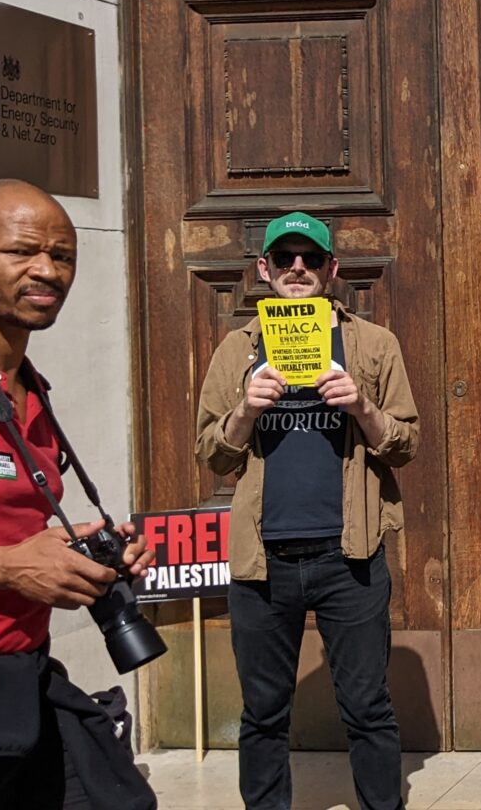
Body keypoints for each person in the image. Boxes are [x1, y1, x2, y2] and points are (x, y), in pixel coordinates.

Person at [0, 179, 156, 809]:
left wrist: (74, 554)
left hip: (20, 683)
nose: (47, 270)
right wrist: (9, 566)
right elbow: (6, 556)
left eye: (63, 255)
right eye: (22, 251)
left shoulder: (27, 387)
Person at [195, 212, 418, 810]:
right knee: (263, 713)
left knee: (368, 708)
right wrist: (244, 411)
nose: (298, 268)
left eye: (311, 258)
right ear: (263, 270)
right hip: (263, 561)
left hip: (351, 556)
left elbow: (407, 442)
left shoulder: (373, 344)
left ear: (332, 270)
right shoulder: (238, 349)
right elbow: (210, 453)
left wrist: (362, 407)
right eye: (285, 258)